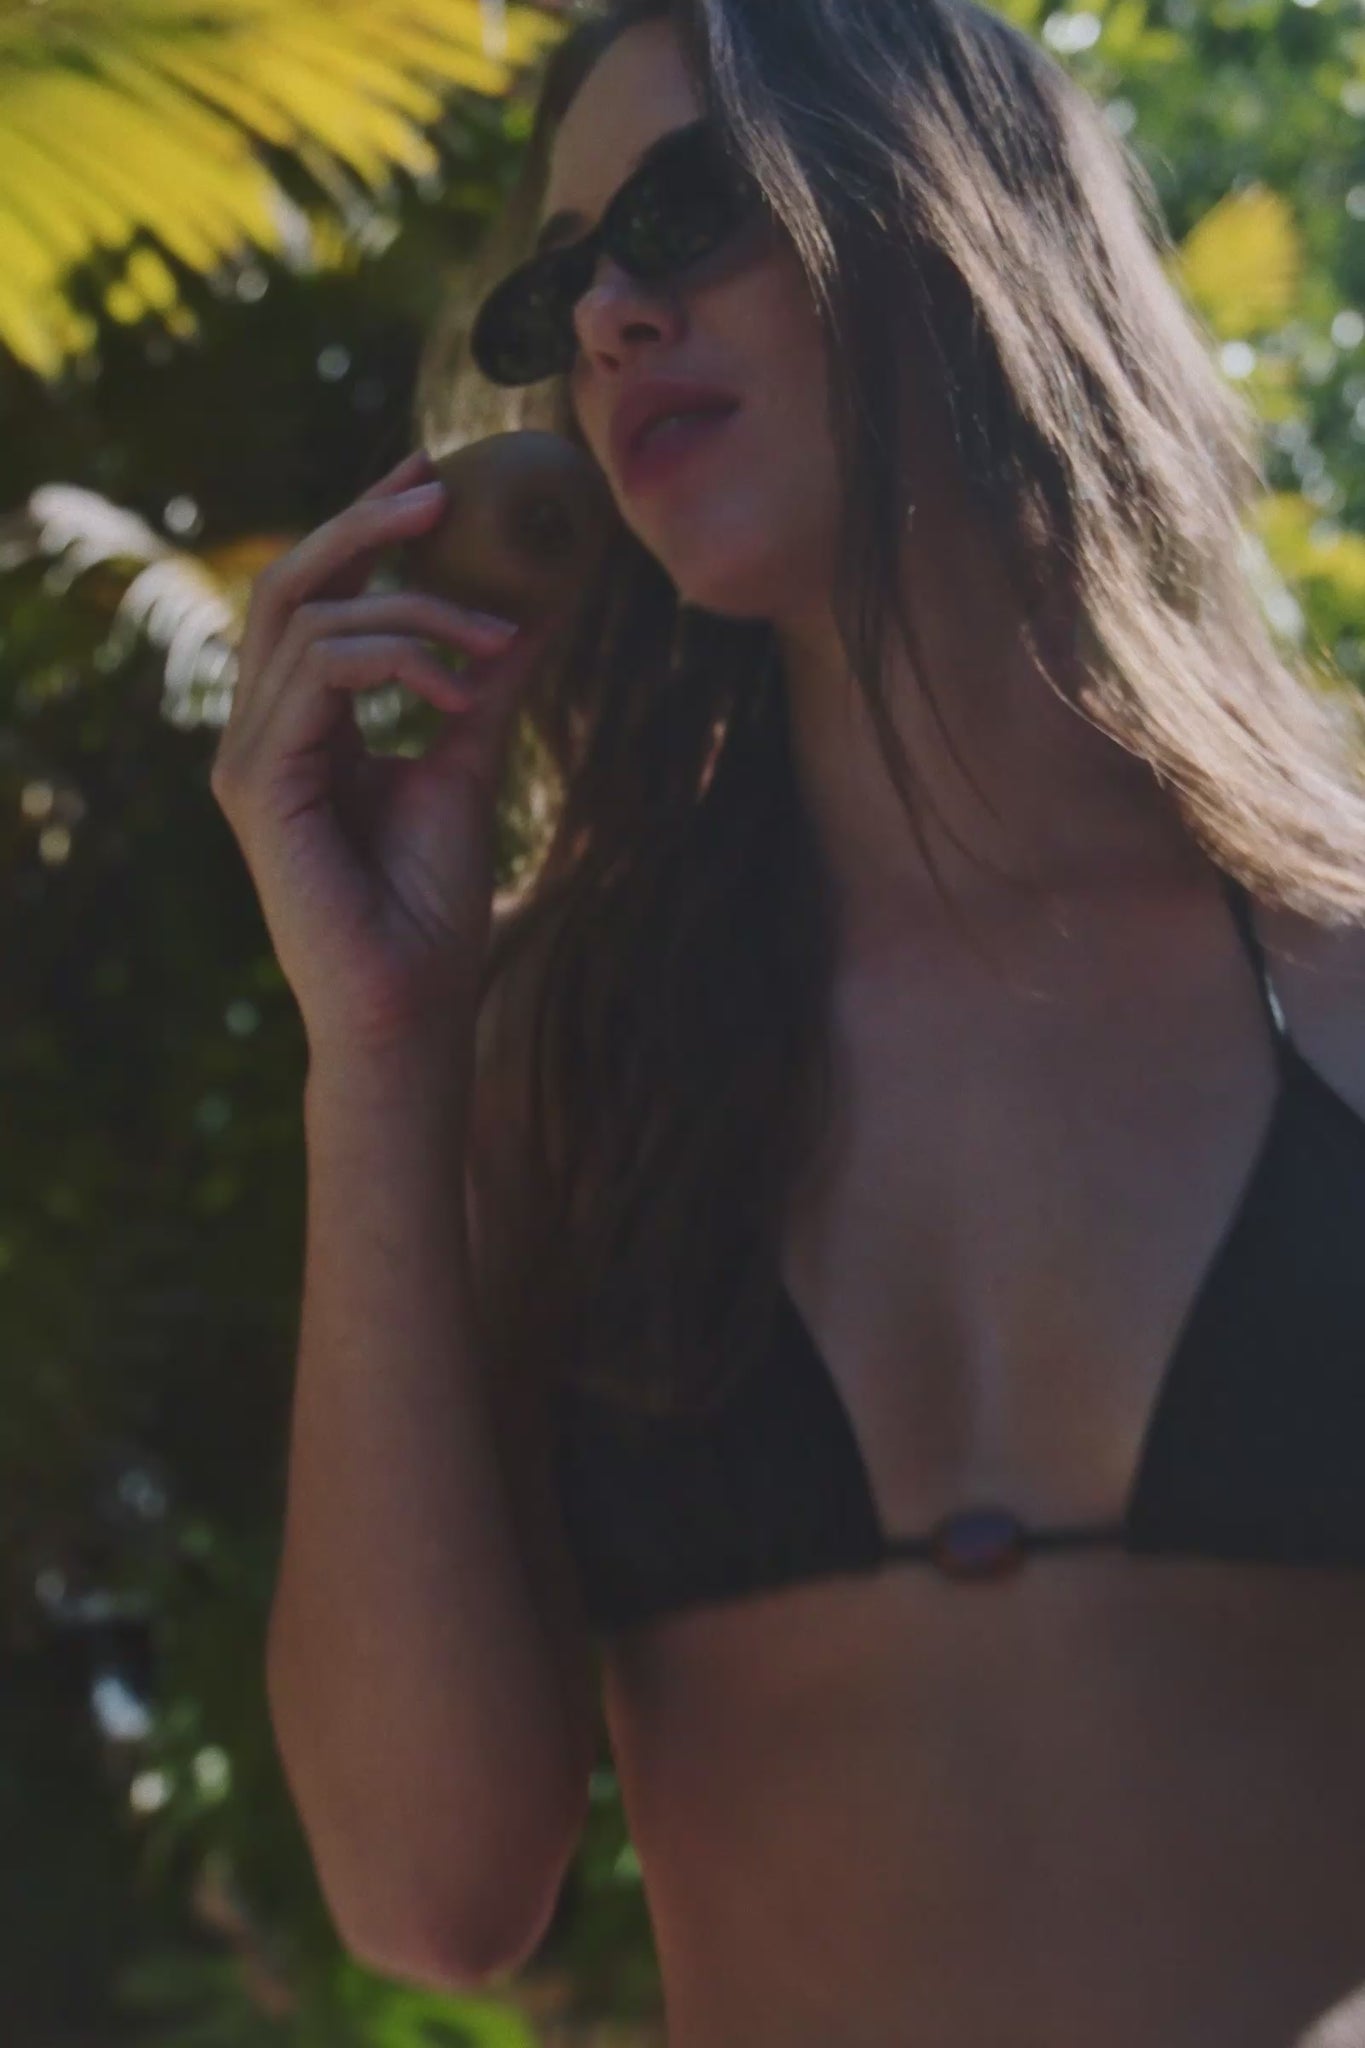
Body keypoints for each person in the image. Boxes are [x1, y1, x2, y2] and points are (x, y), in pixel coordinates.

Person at [213, 1, 1365, 2042]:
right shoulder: (566, 1049)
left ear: (950, 211)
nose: (607, 320)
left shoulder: (1340, 956)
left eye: (683, 212)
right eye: (561, 288)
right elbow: (428, 1893)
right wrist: (377, 1053)